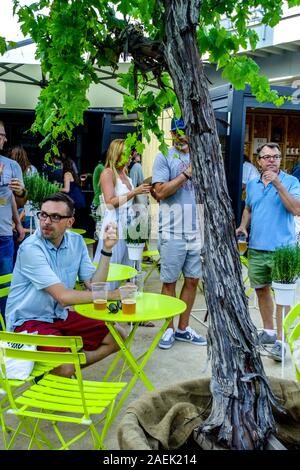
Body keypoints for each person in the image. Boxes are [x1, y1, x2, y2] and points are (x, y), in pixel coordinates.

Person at [5, 192, 124, 377]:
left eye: (55, 217)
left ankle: (58, 366)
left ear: (70, 222)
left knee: (118, 336)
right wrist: (113, 295)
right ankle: (60, 366)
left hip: (59, 316)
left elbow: (94, 285)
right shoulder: (30, 248)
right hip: (29, 321)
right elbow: (63, 297)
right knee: (66, 367)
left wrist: (107, 250)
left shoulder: (76, 242)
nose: (46, 221)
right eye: (43, 214)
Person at [236, 142, 300, 361]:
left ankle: (282, 342)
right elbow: (248, 208)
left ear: (280, 160)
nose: (272, 160)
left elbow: (296, 209)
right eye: (267, 157)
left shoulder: (291, 182)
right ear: (259, 161)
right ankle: (270, 331)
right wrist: (243, 226)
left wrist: (278, 185)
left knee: (282, 296)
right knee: (261, 290)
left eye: (276, 156)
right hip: (256, 248)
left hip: (283, 251)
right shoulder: (253, 184)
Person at [152, 117, 206, 350]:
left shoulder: (200, 154)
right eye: (178, 132)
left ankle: (183, 328)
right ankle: (168, 329)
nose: (182, 136)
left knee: (193, 280)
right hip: (173, 228)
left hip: (197, 226)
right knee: (169, 280)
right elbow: (160, 191)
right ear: (172, 133)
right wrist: (187, 174)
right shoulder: (163, 155)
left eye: (186, 132)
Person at [93, 139, 151, 288]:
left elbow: (133, 199)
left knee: (131, 268)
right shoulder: (108, 172)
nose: (130, 156)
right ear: (117, 154)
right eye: (126, 153)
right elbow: (110, 202)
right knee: (112, 268)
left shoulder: (125, 173)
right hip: (115, 223)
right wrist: (135, 191)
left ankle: (126, 301)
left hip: (131, 225)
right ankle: (105, 300)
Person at [0, 121, 27, 321]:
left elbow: (16, 199)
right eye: (1, 135)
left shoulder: (12, 165)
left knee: (5, 287)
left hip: (4, 236)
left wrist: (18, 224)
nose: (5, 139)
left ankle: (5, 330)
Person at [60, 157, 86, 228]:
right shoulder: (73, 173)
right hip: (79, 199)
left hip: (73, 199)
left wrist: (56, 188)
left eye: (61, 165)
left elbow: (66, 189)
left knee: (70, 220)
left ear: (64, 165)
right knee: (75, 221)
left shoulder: (67, 174)